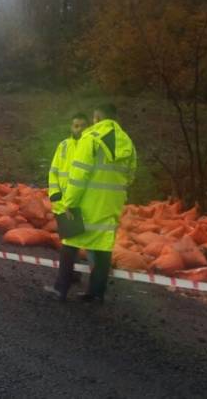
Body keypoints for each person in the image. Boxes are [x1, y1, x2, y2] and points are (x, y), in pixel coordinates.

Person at [45, 103, 137, 303]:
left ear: (96, 118)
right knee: (103, 250)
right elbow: (130, 177)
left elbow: (79, 176)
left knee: (70, 244)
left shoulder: (90, 139)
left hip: (86, 205)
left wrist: (69, 202)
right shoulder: (128, 143)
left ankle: (60, 289)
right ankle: (96, 294)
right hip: (110, 207)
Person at [48, 113, 89, 213]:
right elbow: (53, 171)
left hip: (85, 202)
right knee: (67, 228)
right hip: (62, 201)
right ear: (71, 128)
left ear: (89, 127)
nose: (79, 129)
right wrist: (54, 192)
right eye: (76, 126)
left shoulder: (92, 146)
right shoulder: (63, 146)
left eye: (83, 126)